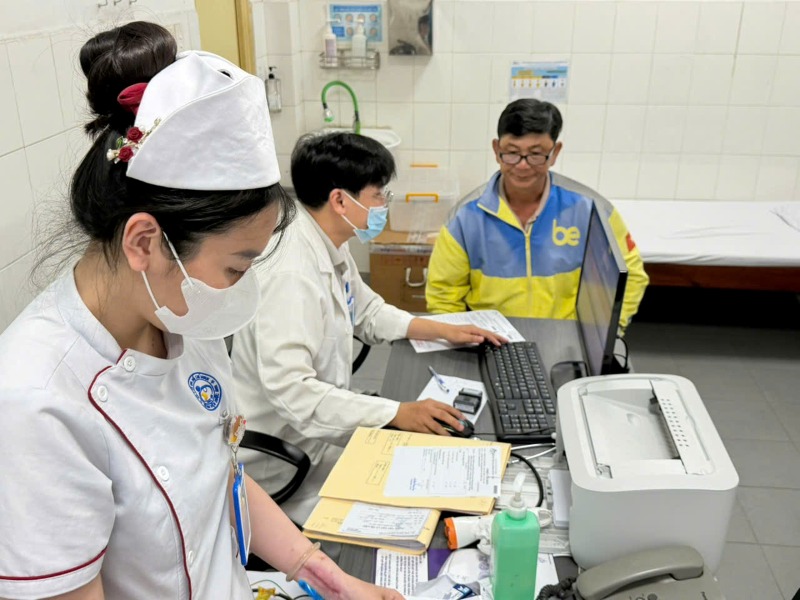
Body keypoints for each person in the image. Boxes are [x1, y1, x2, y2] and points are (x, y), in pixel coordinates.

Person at [0, 23, 400, 600]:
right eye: (237, 266)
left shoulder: (180, 318)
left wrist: (327, 578)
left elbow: (223, 472)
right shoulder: (35, 404)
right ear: (144, 242)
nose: (242, 291)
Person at [231, 132, 505, 524]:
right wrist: (395, 413)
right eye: (379, 196)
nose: (384, 207)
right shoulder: (290, 273)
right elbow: (293, 393)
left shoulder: (327, 238)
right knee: (409, 507)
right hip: (287, 460)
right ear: (341, 200)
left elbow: (367, 310)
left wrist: (440, 329)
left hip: (321, 430)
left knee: (421, 462)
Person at [426, 99, 649, 334]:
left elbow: (630, 274)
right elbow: (444, 293)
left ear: (554, 153)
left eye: (535, 154)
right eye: (511, 153)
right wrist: (461, 339)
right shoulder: (466, 217)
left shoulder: (589, 208)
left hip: (570, 339)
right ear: (496, 150)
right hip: (490, 340)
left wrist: (609, 332)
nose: (522, 166)